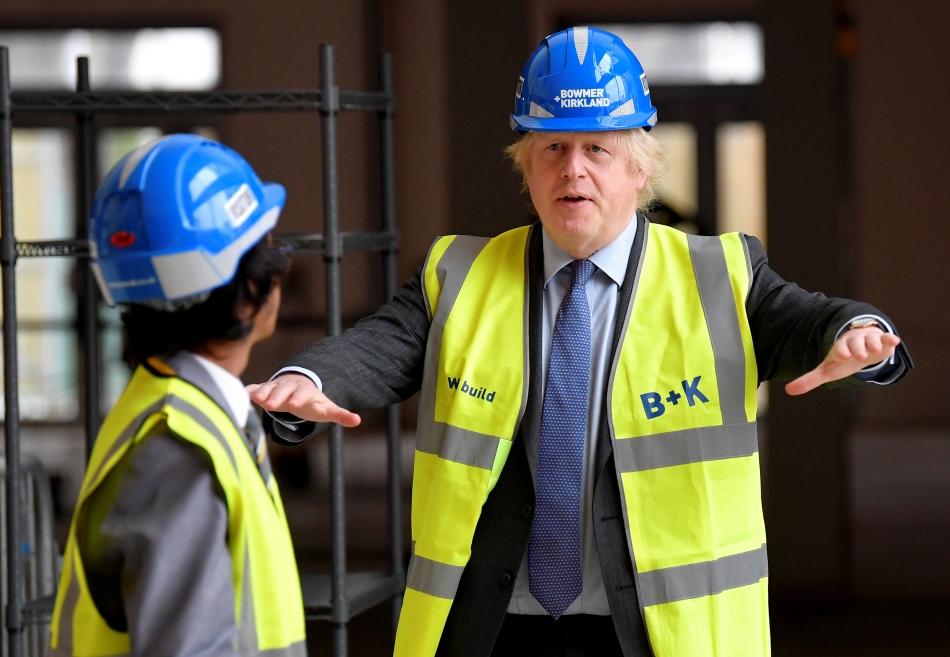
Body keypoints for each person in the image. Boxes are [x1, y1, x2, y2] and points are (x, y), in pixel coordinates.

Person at [248, 27, 912, 657]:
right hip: (496, 628)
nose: (574, 170)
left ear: (638, 170)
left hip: (652, 634)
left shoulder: (721, 275)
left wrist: (855, 332)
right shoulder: (458, 273)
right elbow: (379, 345)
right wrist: (309, 380)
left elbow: (806, 318)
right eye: (553, 148)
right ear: (526, 167)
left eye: (597, 149)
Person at [49, 134, 306, 657]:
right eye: (270, 251)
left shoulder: (173, 411)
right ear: (248, 298)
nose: (281, 268)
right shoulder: (180, 453)